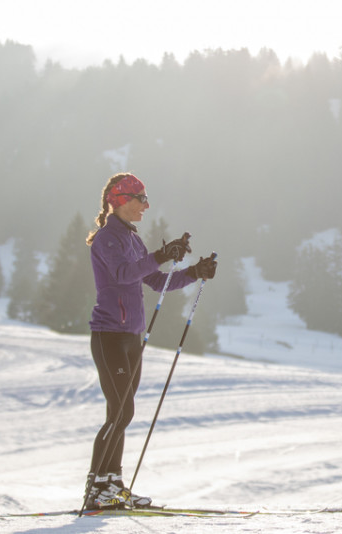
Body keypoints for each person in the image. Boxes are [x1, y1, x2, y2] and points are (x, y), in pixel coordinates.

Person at [84, 172, 217, 509]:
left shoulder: (132, 239)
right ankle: (96, 487)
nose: (146, 205)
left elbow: (157, 281)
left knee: (121, 412)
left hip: (132, 338)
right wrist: (161, 254)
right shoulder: (106, 238)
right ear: (120, 200)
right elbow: (122, 274)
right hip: (109, 336)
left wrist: (193, 272)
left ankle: (112, 485)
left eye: (145, 198)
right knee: (121, 411)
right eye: (140, 198)